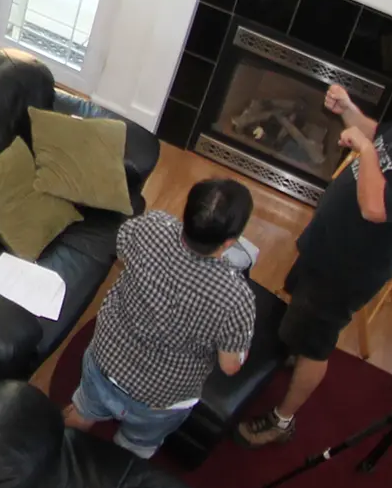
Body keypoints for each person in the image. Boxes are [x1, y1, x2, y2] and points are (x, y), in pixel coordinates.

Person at [238, 58, 392, 448]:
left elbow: (375, 208)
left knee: (316, 344)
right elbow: (379, 136)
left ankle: (282, 420)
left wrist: (364, 149)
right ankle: (293, 349)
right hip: (327, 241)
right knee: (300, 308)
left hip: (348, 267)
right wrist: (348, 109)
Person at [64, 178, 261, 460]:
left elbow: (121, 253)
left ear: (187, 212)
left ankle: (61, 447)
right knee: (134, 447)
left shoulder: (151, 226)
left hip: (104, 360)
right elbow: (229, 366)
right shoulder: (235, 298)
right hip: (160, 399)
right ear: (230, 242)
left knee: (83, 410)